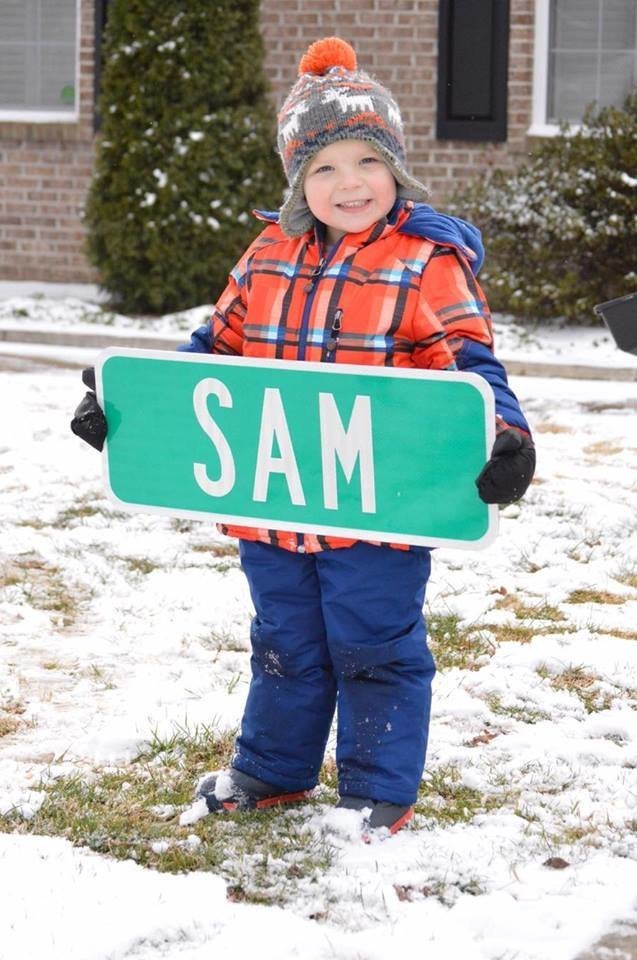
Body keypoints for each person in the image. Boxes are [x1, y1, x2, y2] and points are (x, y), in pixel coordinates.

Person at [71, 37, 535, 837]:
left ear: (395, 166)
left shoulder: (427, 262)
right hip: (273, 503)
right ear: (297, 180)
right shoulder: (267, 255)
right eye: (323, 168)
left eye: (365, 161)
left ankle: (376, 786)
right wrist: (130, 406)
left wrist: (504, 435)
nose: (347, 183)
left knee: (374, 644)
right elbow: (211, 351)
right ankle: (274, 769)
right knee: (283, 640)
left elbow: (468, 364)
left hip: (377, 510)